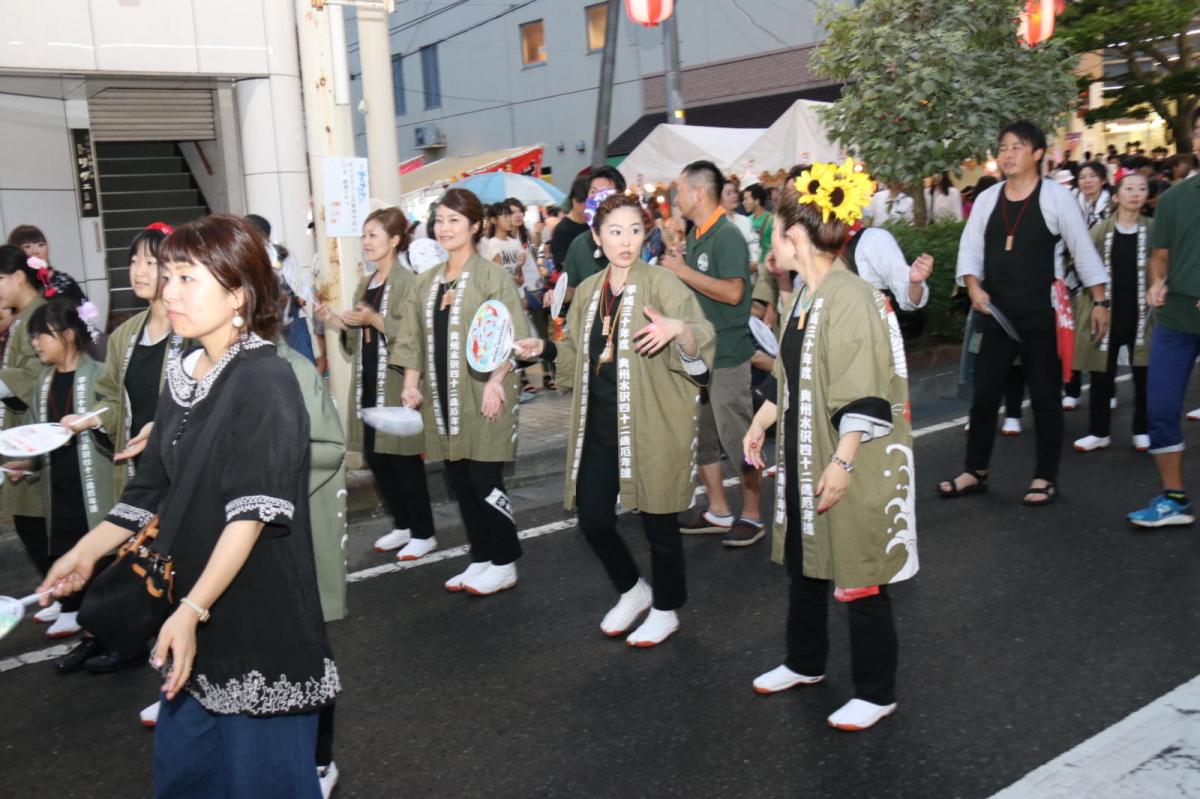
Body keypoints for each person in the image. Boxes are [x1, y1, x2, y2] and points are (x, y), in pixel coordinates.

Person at [39, 214, 339, 797]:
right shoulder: (185, 368)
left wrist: (192, 611)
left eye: (185, 278)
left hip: (255, 622)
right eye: (165, 275)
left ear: (238, 295)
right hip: (194, 616)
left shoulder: (266, 380)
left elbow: (250, 515)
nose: (166, 291)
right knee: (185, 778)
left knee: (263, 784)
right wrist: (84, 552)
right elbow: (148, 491)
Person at [744, 161, 916, 732]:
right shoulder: (806, 296)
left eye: (775, 230)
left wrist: (842, 462)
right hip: (808, 453)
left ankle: (877, 688)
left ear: (796, 237)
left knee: (858, 569)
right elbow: (790, 378)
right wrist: (762, 422)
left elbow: (862, 390)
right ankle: (805, 661)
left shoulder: (850, 296)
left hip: (848, 457)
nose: (771, 241)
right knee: (805, 561)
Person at [514, 193, 716, 646]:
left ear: (646, 234)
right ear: (597, 238)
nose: (626, 240)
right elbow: (572, 358)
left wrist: (679, 331)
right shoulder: (588, 292)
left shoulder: (663, 285)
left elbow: (703, 337)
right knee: (593, 520)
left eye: (634, 230)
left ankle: (666, 607)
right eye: (615, 231)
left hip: (654, 420)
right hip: (600, 427)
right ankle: (632, 588)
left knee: (659, 523)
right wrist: (542, 349)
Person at [940, 120, 1109, 506]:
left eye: (1017, 147)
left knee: (1046, 398)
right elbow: (970, 249)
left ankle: (1044, 477)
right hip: (995, 312)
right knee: (984, 396)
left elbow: (1082, 251)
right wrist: (972, 285)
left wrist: (1100, 302)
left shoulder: (1054, 198)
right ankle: (975, 471)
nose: (1008, 154)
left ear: (1037, 154)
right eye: (1003, 147)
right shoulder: (988, 199)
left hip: (1040, 314)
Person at [394, 188, 528, 595]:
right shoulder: (428, 282)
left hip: (484, 395)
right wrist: (411, 385)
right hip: (445, 400)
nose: (445, 227)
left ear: (475, 226)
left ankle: (504, 561)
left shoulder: (491, 275)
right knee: (460, 480)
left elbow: (513, 335)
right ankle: (482, 557)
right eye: (439, 220)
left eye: (454, 220)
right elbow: (412, 336)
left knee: (485, 478)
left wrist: (495, 382)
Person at [61, 222, 177, 676]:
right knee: (134, 557)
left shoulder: (192, 328)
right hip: (138, 468)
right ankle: (132, 639)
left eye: (152, 260)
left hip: (180, 465)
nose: (139, 269)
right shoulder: (126, 333)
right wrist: (90, 418)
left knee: (172, 561)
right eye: (134, 260)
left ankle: (169, 657)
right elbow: (111, 398)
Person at [316, 207, 436, 562]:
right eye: (364, 235)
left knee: (404, 461)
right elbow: (358, 339)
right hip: (369, 380)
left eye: (373, 235)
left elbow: (414, 336)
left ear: (395, 240)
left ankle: (424, 532)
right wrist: (338, 321)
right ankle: (402, 524)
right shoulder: (365, 284)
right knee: (376, 457)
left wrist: (374, 319)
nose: (366, 242)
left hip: (398, 382)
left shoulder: (408, 282)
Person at [4, 297, 113, 672]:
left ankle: (109, 639)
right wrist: (22, 463)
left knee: (101, 564)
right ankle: (92, 635)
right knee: (69, 556)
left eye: (42, 336)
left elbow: (116, 430)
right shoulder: (42, 384)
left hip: (93, 490)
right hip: (60, 490)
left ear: (68, 335)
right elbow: (38, 437)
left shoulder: (100, 375)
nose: (36, 343)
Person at [664, 160, 764, 546]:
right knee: (703, 436)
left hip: (726, 354)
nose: (675, 196)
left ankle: (752, 515)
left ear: (698, 192)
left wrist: (682, 271)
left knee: (740, 437)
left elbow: (734, 293)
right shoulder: (699, 235)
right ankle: (719, 510)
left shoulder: (727, 235)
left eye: (679, 189)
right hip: (698, 353)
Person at [1127, 112, 1200, 528]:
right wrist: (1156, 284)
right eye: (1199, 130)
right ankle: (1173, 499)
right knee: (1160, 408)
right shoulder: (1174, 198)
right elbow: (1159, 259)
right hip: (1175, 320)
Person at [1072, 173, 1152, 453]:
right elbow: (1080, 262)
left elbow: (1167, 265)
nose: (1136, 193)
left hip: (1143, 315)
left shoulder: (1153, 229)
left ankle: (1142, 429)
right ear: (1117, 195)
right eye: (1129, 188)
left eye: (1142, 188)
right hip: (1106, 313)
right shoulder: (1101, 230)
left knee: (1145, 375)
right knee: (1100, 375)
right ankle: (1099, 432)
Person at [0, 245, 51, 625]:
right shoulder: (25, 315)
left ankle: (64, 598)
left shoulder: (37, 315)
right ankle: (58, 596)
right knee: (30, 519)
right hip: (26, 431)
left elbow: (37, 376)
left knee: (38, 521)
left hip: (36, 433)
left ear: (19, 276)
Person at [1062, 160, 1115, 410]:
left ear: (1103, 180)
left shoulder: (1113, 207)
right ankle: (1071, 389)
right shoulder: (1071, 207)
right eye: (1083, 177)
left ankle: (1106, 388)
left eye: (1093, 176)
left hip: (1106, 281)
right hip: (1074, 282)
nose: (1087, 181)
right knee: (1071, 335)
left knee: (1102, 336)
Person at [563, 167, 627, 300]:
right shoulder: (579, 244)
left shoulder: (633, 239)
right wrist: (560, 294)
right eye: (593, 191)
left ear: (620, 198)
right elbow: (572, 291)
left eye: (605, 192)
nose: (597, 197)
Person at [548, 175, 590, 274]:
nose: (592, 207)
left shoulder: (591, 224)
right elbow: (566, 268)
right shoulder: (563, 231)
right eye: (588, 203)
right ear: (575, 201)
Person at [742, 183, 773, 267]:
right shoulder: (747, 220)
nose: (743, 203)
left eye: (746, 199)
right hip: (751, 268)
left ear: (756, 201)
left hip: (766, 270)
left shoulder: (772, 220)